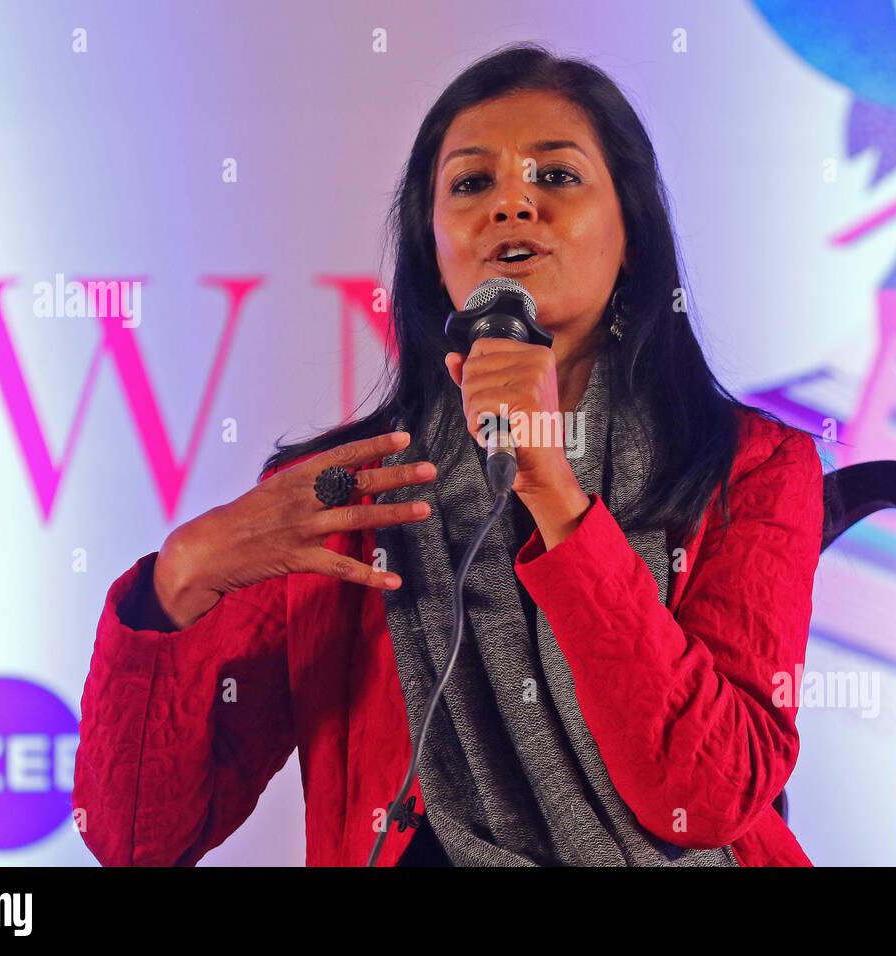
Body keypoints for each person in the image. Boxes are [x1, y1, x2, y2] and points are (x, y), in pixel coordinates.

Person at [73, 42, 827, 867]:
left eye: (556, 176)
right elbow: (138, 841)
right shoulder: (346, 495)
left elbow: (704, 798)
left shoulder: (753, 467)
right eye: (472, 184)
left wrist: (552, 489)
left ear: (632, 238)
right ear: (434, 249)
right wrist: (181, 577)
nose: (511, 207)